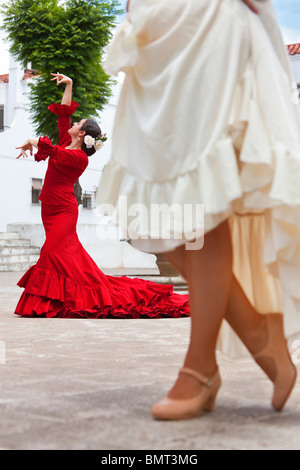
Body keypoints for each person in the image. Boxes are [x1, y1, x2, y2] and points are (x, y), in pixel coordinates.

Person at [96, 0, 300, 420]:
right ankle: (259, 330)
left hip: (206, 17)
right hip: (154, 23)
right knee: (153, 212)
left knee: (200, 197)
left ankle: (200, 367)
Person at [14, 73, 189, 319]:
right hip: (49, 207)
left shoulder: (79, 158)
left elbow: (51, 151)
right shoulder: (66, 140)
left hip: (64, 210)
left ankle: (47, 301)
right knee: (66, 255)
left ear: (82, 133)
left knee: (52, 252)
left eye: (79, 123)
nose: (73, 123)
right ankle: (57, 298)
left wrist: (30, 141)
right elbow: (64, 112)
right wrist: (69, 85)